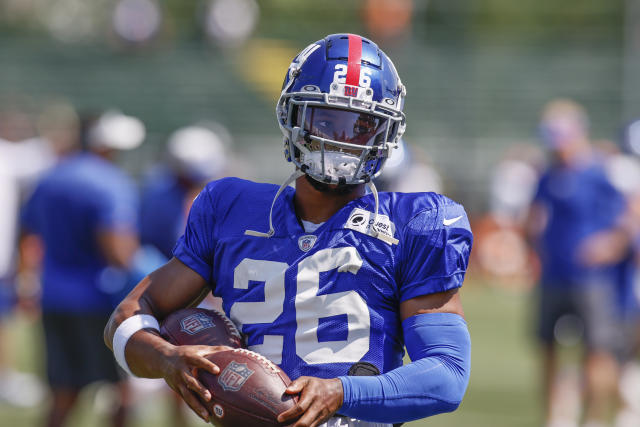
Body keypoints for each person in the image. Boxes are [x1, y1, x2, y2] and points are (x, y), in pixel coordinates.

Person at [104, 33, 472, 427]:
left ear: (385, 135)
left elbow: (447, 375)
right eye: (326, 120)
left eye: (361, 126)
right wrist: (165, 358)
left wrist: (341, 393)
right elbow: (126, 317)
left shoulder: (418, 222)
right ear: (293, 117)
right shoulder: (229, 208)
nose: (341, 141)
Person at [22, 109, 145, 427]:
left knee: (62, 393)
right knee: (122, 391)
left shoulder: (52, 176)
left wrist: (26, 279)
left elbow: (28, 231)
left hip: (53, 296)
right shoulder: (110, 183)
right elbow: (119, 253)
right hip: (97, 301)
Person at [526, 99, 630, 427]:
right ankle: (551, 416)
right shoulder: (549, 174)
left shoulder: (599, 172)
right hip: (554, 274)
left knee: (596, 350)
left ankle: (594, 418)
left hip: (591, 279)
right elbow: (534, 216)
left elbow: (628, 216)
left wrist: (610, 245)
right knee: (547, 347)